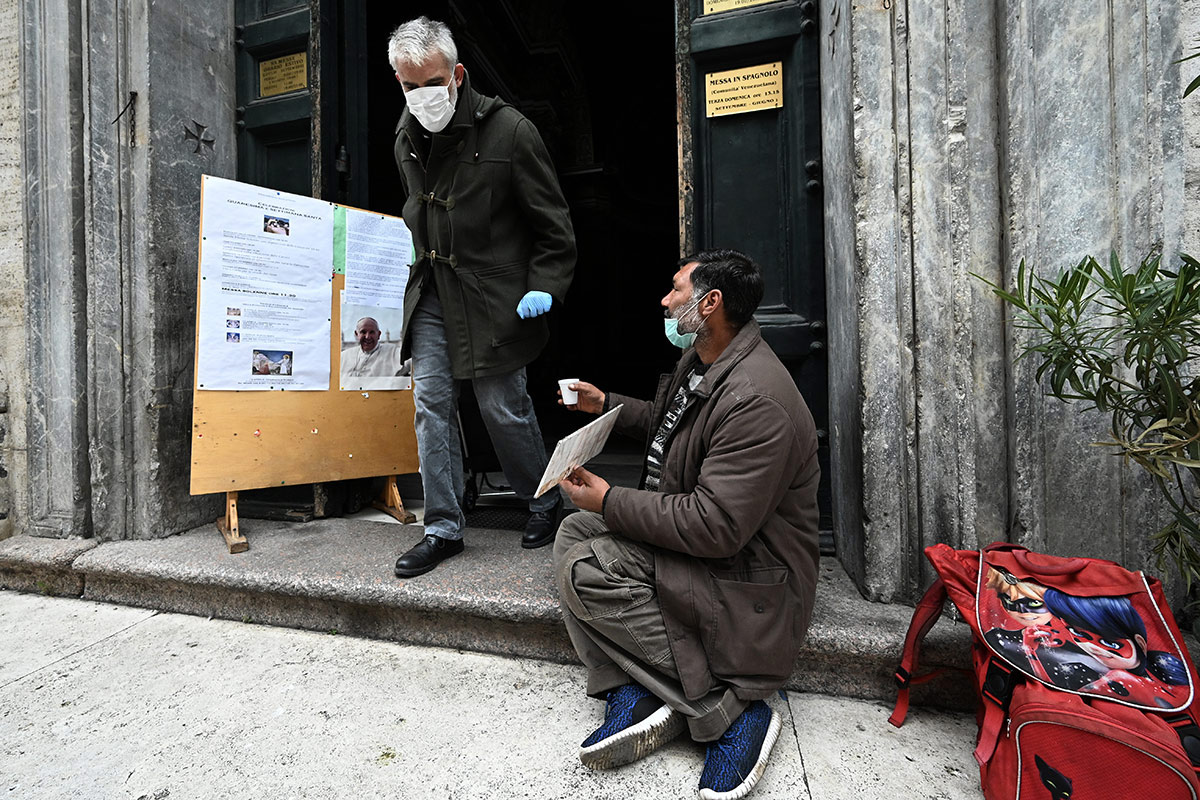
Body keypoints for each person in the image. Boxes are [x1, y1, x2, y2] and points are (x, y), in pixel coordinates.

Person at [553, 249, 818, 800]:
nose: (665, 300)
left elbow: (715, 525)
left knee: (585, 566)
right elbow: (670, 424)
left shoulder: (757, 399)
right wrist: (606, 404)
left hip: (746, 576)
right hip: (705, 551)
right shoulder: (703, 360)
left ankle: (733, 712)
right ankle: (632, 686)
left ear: (710, 302)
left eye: (676, 289)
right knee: (573, 534)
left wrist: (609, 500)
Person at [388, 17, 575, 577]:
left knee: (502, 407)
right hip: (433, 293)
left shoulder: (511, 132)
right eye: (410, 85)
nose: (422, 95)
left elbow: (553, 226)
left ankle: (543, 500)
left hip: (495, 299)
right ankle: (442, 527)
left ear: (458, 74)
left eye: (433, 82)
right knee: (431, 406)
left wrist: (543, 284)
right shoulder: (405, 135)